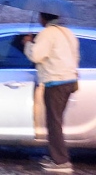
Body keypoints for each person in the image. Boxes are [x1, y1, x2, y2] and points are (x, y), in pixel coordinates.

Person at [23, 12, 80, 174]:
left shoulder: (47, 33)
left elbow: (36, 56)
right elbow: (76, 56)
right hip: (69, 80)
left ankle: (61, 162)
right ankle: (56, 157)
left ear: (43, 18)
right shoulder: (67, 32)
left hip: (56, 82)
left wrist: (28, 43)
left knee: (54, 123)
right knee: (56, 121)